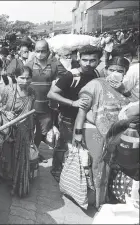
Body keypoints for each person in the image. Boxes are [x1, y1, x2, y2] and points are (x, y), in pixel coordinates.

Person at [72, 56, 131, 208]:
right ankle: (95, 201)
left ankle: (105, 198)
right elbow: (82, 111)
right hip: (93, 130)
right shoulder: (95, 85)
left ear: (125, 73)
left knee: (110, 166)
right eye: (112, 70)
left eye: (119, 71)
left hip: (116, 134)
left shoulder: (124, 90)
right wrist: (77, 133)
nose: (115, 73)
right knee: (97, 165)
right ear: (105, 70)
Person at [47, 45, 102, 181]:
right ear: (78, 58)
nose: (88, 64)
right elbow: (51, 93)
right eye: (85, 60)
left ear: (98, 61)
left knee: (81, 146)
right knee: (64, 145)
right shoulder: (71, 75)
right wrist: (73, 102)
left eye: (92, 60)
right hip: (68, 117)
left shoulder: (97, 75)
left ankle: (77, 173)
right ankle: (57, 171)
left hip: (87, 119)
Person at [0, 65, 36, 197]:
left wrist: (31, 130)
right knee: (6, 155)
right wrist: (6, 112)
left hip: (24, 131)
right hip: (8, 129)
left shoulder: (32, 92)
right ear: (16, 78)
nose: (25, 81)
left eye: (28, 78)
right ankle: (4, 176)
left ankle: (17, 183)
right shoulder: (7, 90)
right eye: (22, 78)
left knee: (20, 157)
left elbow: (30, 113)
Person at [26, 40, 58, 162]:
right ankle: (29, 153)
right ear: (34, 51)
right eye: (37, 51)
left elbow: (57, 83)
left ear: (48, 52)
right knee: (29, 131)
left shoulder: (54, 66)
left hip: (46, 106)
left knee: (41, 131)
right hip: (30, 106)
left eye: (43, 51)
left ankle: (35, 151)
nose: (40, 53)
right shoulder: (28, 65)